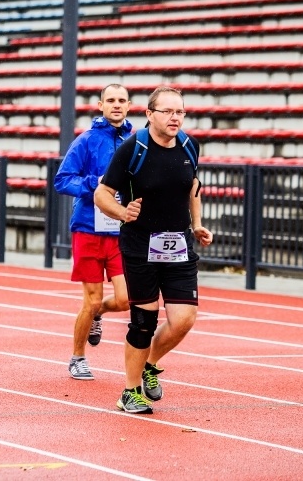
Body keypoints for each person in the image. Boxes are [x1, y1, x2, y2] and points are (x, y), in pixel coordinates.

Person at [95, 86, 213, 414]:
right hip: (140, 246)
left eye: (181, 112)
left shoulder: (190, 146)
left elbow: (193, 187)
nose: (176, 117)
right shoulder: (134, 149)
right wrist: (122, 213)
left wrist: (197, 223)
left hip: (178, 247)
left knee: (184, 319)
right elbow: (102, 193)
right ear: (149, 114)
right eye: (168, 111)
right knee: (143, 323)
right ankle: (130, 392)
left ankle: (149, 363)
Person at [54, 84, 132, 380]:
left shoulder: (136, 141)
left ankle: (98, 315)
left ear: (129, 105)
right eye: (110, 100)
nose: (116, 105)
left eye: (121, 101)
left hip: (121, 230)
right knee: (91, 298)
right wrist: (96, 184)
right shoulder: (86, 140)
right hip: (88, 228)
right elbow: (62, 181)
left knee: (126, 299)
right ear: (100, 105)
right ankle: (77, 357)